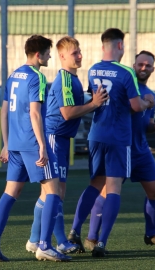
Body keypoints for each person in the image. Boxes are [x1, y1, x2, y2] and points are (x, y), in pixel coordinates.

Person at [67, 28, 155, 257]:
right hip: (118, 138)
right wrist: (147, 102)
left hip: (96, 135)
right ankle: (101, 243)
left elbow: (95, 97)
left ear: (102, 46)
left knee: (95, 184)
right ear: (119, 46)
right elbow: (136, 107)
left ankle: (74, 231)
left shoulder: (93, 69)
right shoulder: (126, 72)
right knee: (113, 189)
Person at [0, 35, 71, 263]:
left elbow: (3, 111)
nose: (50, 56)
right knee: (53, 192)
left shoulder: (13, 76)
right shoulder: (37, 77)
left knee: (10, 193)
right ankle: (44, 245)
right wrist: (43, 145)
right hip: (32, 144)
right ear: (38, 55)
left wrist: (6, 143)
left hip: (15, 145)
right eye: (47, 53)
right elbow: (34, 113)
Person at [83, 50, 155, 253]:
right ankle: (91, 237)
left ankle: (151, 234)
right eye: (140, 64)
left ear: (153, 69)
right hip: (119, 147)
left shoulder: (150, 94)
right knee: (105, 193)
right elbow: (130, 106)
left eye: (147, 65)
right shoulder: (125, 84)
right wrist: (145, 103)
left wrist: (154, 126)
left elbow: (146, 123)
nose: (143, 68)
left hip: (141, 150)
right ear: (133, 65)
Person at [25, 36, 109, 255]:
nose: (79, 55)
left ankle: (35, 239)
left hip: (61, 139)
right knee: (56, 192)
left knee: (50, 193)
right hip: (53, 137)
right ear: (62, 56)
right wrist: (94, 103)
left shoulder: (73, 79)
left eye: (79, 51)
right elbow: (67, 113)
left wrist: (91, 98)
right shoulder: (64, 79)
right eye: (74, 53)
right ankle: (60, 241)